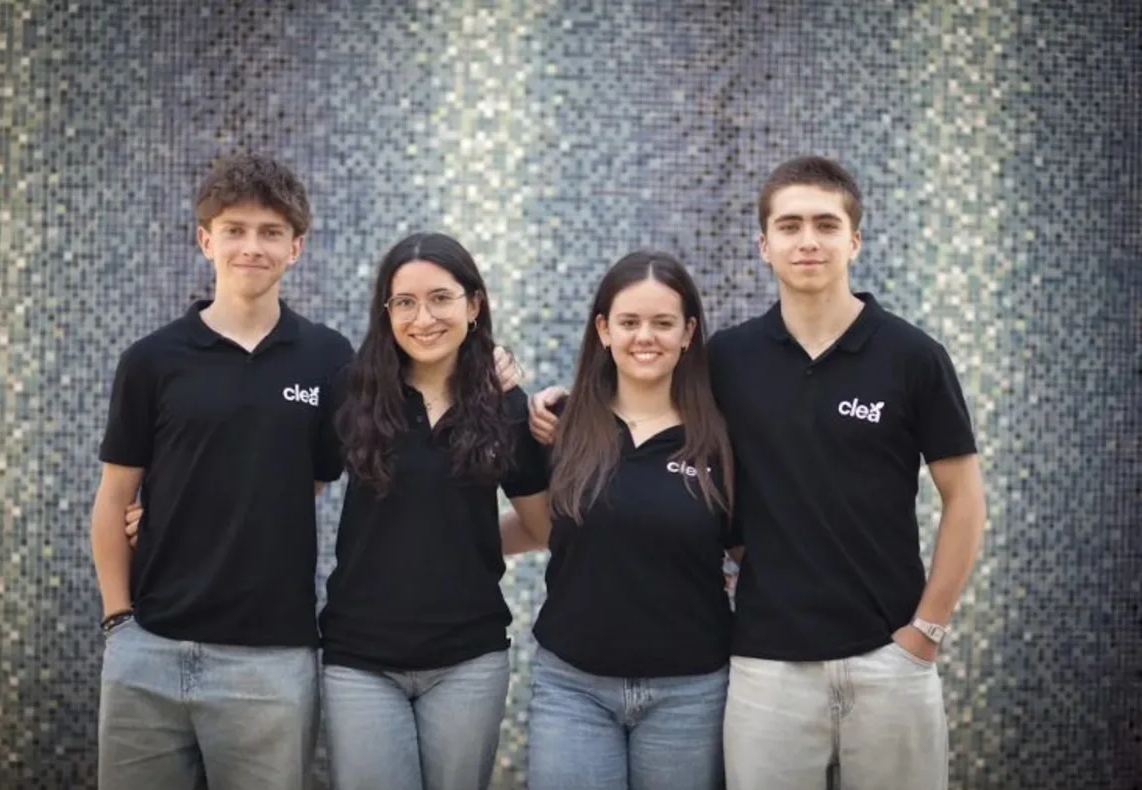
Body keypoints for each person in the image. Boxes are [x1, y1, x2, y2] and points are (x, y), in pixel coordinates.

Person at [531, 156, 987, 790]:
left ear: (853, 239)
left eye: (826, 225)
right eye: (790, 225)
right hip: (764, 663)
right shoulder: (728, 361)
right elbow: (645, 400)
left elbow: (964, 499)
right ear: (763, 245)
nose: (808, 240)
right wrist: (558, 406)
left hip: (889, 656)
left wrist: (925, 633)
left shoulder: (913, 357)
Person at [90, 153, 353, 790]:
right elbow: (113, 497)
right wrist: (119, 622)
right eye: (234, 230)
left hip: (272, 659)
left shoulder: (329, 358)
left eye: (270, 233)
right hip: (149, 647)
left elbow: (312, 479)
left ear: (297, 248)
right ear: (206, 240)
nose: (251, 247)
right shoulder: (152, 360)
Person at [317, 232, 551, 790]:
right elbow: (290, 486)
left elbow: (541, 526)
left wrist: (454, 539)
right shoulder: (351, 393)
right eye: (405, 302)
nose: (424, 318)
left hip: (468, 659)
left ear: (473, 305)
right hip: (360, 658)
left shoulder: (505, 403)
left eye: (441, 298)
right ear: (386, 311)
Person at [501, 251, 737, 790]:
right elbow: (540, 527)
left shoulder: (722, 437)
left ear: (688, 332)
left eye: (663, 323)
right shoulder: (558, 425)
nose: (645, 337)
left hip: (690, 692)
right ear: (604, 330)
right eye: (629, 322)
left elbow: (751, 547)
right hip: (574, 688)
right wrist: (450, 548)